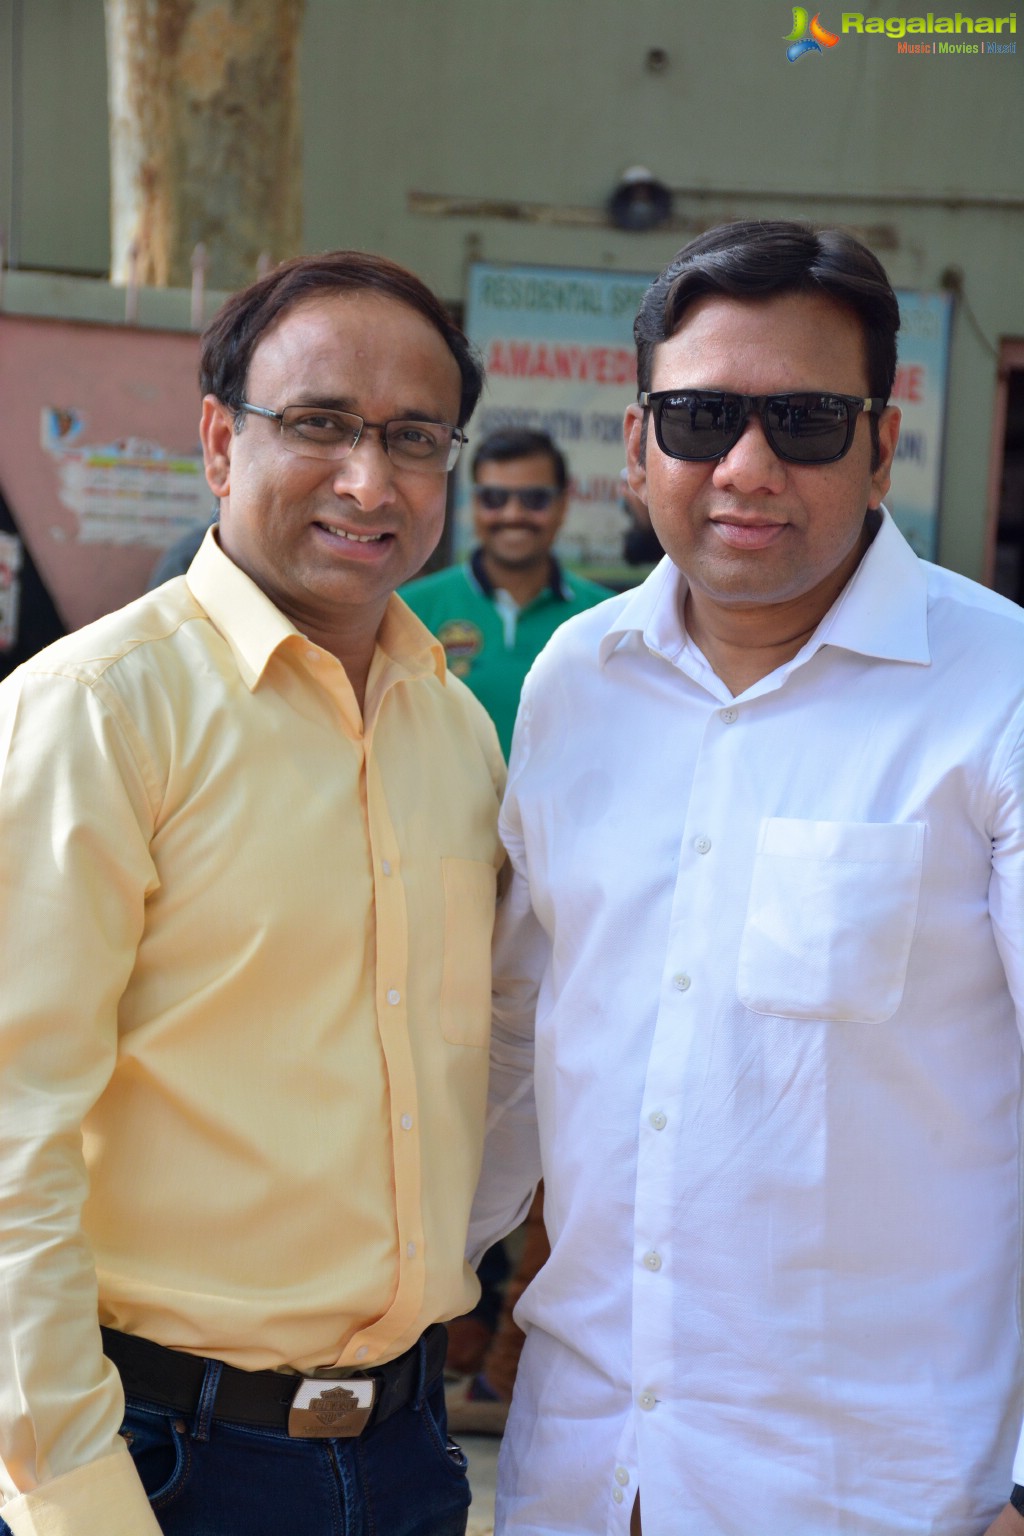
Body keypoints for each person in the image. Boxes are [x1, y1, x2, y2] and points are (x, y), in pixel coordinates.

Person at [468, 219, 1024, 1536]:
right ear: (637, 440)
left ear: (884, 444)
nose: (749, 467)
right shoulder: (575, 683)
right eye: (704, 416)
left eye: (809, 422)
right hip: (586, 1469)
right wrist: (413, 1288)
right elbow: (519, 1038)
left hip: (881, 1489)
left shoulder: (996, 688)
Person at [0, 250, 506, 1536]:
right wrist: (71, 1492)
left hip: (402, 1458)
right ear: (221, 442)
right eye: (322, 426)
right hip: (163, 1458)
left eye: (411, 438)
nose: (367, 480)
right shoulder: (99, 713)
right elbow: (14, 1133)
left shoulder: (454, 733)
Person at [401, 427, 609, 759]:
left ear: (563, 505)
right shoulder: (407, 611)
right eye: (494, 499)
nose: (513, 515)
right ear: (474, 505)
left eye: (535, 499)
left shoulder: (607, 619)